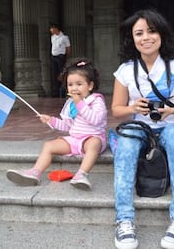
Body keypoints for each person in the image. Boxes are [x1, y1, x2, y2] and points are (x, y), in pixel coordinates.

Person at [111, 9, 174, 249]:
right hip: (139, 127)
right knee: (127, 144)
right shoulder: (125, 71)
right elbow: (117, 110)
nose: (146, 37)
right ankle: (124, 220)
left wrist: (171, 111)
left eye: (151, 31)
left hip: (171, 125)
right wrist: (132, 106)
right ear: (132, 39)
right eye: (139, 33)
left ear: (161, 35)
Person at [6, 58, 107, 190]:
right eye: (70, 85)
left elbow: (95, 120)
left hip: (92, 138)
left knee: (94, 143)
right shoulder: (70, 104)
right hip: (75, 139)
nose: (74, 88)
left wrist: (80, 103)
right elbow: (67, 125)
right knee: (49, 145)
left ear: (90, 86)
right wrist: (51, 120)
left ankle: (81, 175)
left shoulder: (96, 101)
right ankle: (35, 172)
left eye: (79, 84)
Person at [50, 23, 71, 97]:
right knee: (54, 74)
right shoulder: (52, 37)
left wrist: (65, 58)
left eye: (52, 28)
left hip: (60, 57)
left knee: (62, 74)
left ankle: (63, 91)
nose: (51, 30)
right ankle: (55, 92)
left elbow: (68, 48)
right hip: (54, 57)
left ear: (56, 28)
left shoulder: (64, 37)